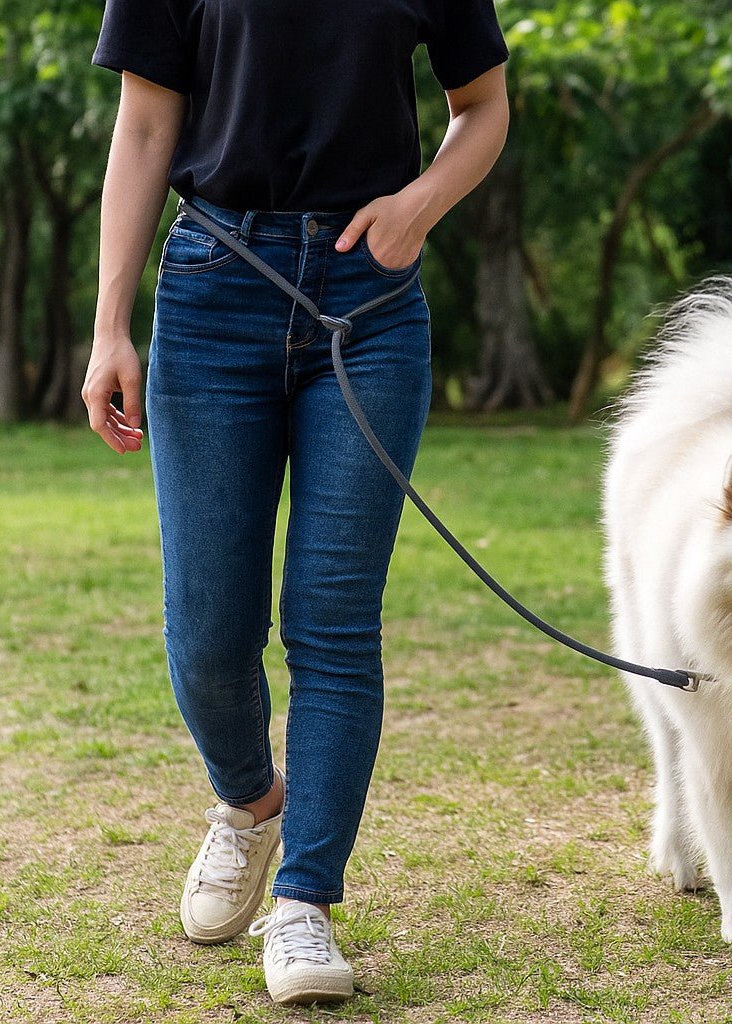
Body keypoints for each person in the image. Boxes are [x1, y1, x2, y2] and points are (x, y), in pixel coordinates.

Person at [84, 0, 509, 1005]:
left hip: (370, 303)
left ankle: (306, 902)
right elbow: (146, 126)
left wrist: (418, 207)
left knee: (332, 622)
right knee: (207, 630)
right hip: (211, 285)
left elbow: (482, 107)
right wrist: (109, 325)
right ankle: (249, 803)